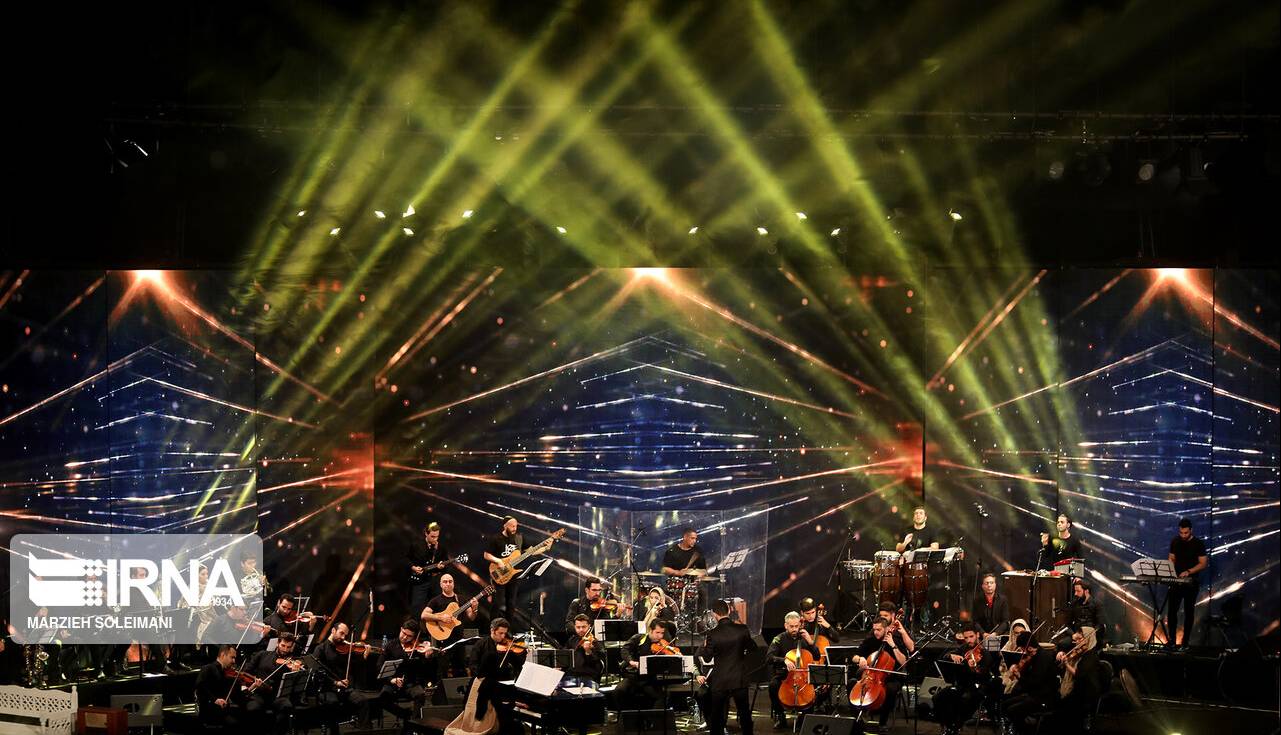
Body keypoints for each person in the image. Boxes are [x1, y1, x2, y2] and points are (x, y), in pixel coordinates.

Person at [697, 599, 757, 735]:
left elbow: (707, 657)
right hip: (739, 678)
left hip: (720, 680)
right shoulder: (742, 629)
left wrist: (704, 647)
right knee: (744, 713)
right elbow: (753, 648)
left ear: (714, 614)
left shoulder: (712, 634)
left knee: (716, 715)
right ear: (729, 611)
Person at [372, 619, 437, 728]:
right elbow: (379, 666)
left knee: (420, 695)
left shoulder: (418, 647)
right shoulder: (390, 645)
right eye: (404, 633)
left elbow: (426, 669)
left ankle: (415, 725)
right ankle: (406, 715)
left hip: (410, 683)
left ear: (414, 637)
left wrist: (427, 658)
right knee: (382, 699)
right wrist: (392, 680)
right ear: (401, 629)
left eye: (409, 636)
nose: (405, 637)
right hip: (392, 683)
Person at [766, 612, 820, 730]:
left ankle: (804, 718)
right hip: (785, 675)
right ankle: (780, 716)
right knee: (773, 686)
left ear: (800, 625)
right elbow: (769, 657)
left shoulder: (805, 638)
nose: (794, 629)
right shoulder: (779, 639)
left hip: (803, 675)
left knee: (815, 686)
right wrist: (784, 660)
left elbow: (817, 656)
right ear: (786, 625)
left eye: (796, 626)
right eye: (791, 626)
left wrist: (810, 642)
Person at [851, 616, 909, 727]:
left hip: (891, 677)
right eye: (874, 629)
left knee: (891, 689)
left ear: (887, 629)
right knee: (851, 683)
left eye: (879, 630)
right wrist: (860, 659)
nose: (876, 632)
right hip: (871, 676)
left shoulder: (896, 641)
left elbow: (904, 662)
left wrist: (893, 645)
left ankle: (882, 723)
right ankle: (858, 719)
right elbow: (854, 656)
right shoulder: (871, 640)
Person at [243, 632, 305, 734]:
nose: (285, 650)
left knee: (287, 706)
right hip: (259, 693)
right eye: (283, 645)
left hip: (277, 696)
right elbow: (246, 672)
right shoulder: (262, 655)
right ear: (277, 643)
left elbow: (296, 685)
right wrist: (254, 681)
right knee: (252, 709)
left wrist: (295, 673)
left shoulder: (293, 662)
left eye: (288, 647)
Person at [421, 573, 478, 676]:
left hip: (459, 640)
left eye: (450, 581)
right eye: (445, 582)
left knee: (460, 670)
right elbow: (424, 615)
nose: (448, 584)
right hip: (443, 642)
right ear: (441, 584)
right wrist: (441, 617)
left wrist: (475, 609)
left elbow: (471, 617)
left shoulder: (462, 599)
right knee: (442, 671)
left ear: (453, 583)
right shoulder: (435, 600)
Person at [1167, 517, 1208, 647]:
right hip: (1176, 581)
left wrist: (1189, 571)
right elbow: (1171, 558)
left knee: (1188, 612)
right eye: (1181, 533)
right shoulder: (1175, 541)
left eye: (1186, 533)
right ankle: (1172, 640)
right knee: (1171, 611)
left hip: (1191, 582)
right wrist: (1170, 568)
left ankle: (1185, 642)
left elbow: (1203, 563)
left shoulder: (1198, 544)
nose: (1183, 535)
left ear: (1191, 530)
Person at [617, 619, 675, 709]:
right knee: (619, 691)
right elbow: (625, 649)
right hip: (634, 676)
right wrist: (631, 661)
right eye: (657, 632)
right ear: (650, 630)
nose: (660, 636)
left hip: (650, 679)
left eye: (662, 633)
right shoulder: (639, 638)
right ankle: (626, 716)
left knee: (661, 697)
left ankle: (653, 717)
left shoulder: (663, 644)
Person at [195, 645, 254, 730]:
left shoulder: (227, 674)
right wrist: (215, 700)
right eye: (232, 657)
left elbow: (237, 697)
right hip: (210, 712)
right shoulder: (208, 668)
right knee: (236, 724)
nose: (234, 661)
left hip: (223, 711)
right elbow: (200, 687)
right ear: (223, 655)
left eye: (235, 658)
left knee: (248, 717)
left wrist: (251, 688)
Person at [483, 517, 526, 626]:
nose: (514, 528)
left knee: (511, 604)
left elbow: (530, 550)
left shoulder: (518, 538)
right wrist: (498, 561)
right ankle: (493, 628)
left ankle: (508, 629)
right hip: (499, 574)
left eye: (516, 526)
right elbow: (486, 555)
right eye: (512, 526)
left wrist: (545, 547)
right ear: (505, 526)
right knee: (497, 603)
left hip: (513, 576)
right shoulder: (496, 538)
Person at [408, 521, 451, 616]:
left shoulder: (441, 548)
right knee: (417, 608)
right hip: (420, 581)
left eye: (437, 536)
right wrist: (413, 567)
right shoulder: (416, 545)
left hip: (435, 581)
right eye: (432, 536)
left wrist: (441, 567)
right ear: (426, 533)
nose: (435, 539)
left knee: (439, 606)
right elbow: (406, 559)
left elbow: (446, 565)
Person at [564, 614, 604, 684]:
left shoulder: (595, 642)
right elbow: (564, 656)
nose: (581, 630)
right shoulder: (572, 640)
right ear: (574, 627)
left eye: (584, 627)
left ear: (589, 626)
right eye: (578, 627)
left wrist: (588, 651)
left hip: (588, 676)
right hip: (571, 675)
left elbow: (598, 664)